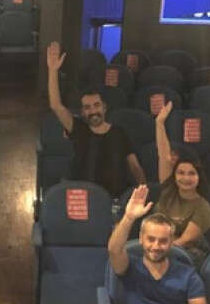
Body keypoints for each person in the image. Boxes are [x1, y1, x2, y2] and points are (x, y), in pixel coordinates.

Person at [46, 41, 146, 198]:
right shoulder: (78, 128)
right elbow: (56, 105)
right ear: (82, 112)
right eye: (87, 107)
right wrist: (52, 71)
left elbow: (135, 167)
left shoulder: (120, 133)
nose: (93, 111)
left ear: (104, 107)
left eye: (96, 105)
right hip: (84, 197)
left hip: (115, 199)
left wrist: (143, 193)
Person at [154, 101, 210, 265]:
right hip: (160, 245)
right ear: (174, 176)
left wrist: (155, 250)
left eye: (191, 173)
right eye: (181, 173)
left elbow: (185, 240)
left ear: (199, 178)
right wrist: (159, 123)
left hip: (187, 254)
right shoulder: (169, 189)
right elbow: (164, 154)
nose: (186, 178)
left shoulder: (203, 207)